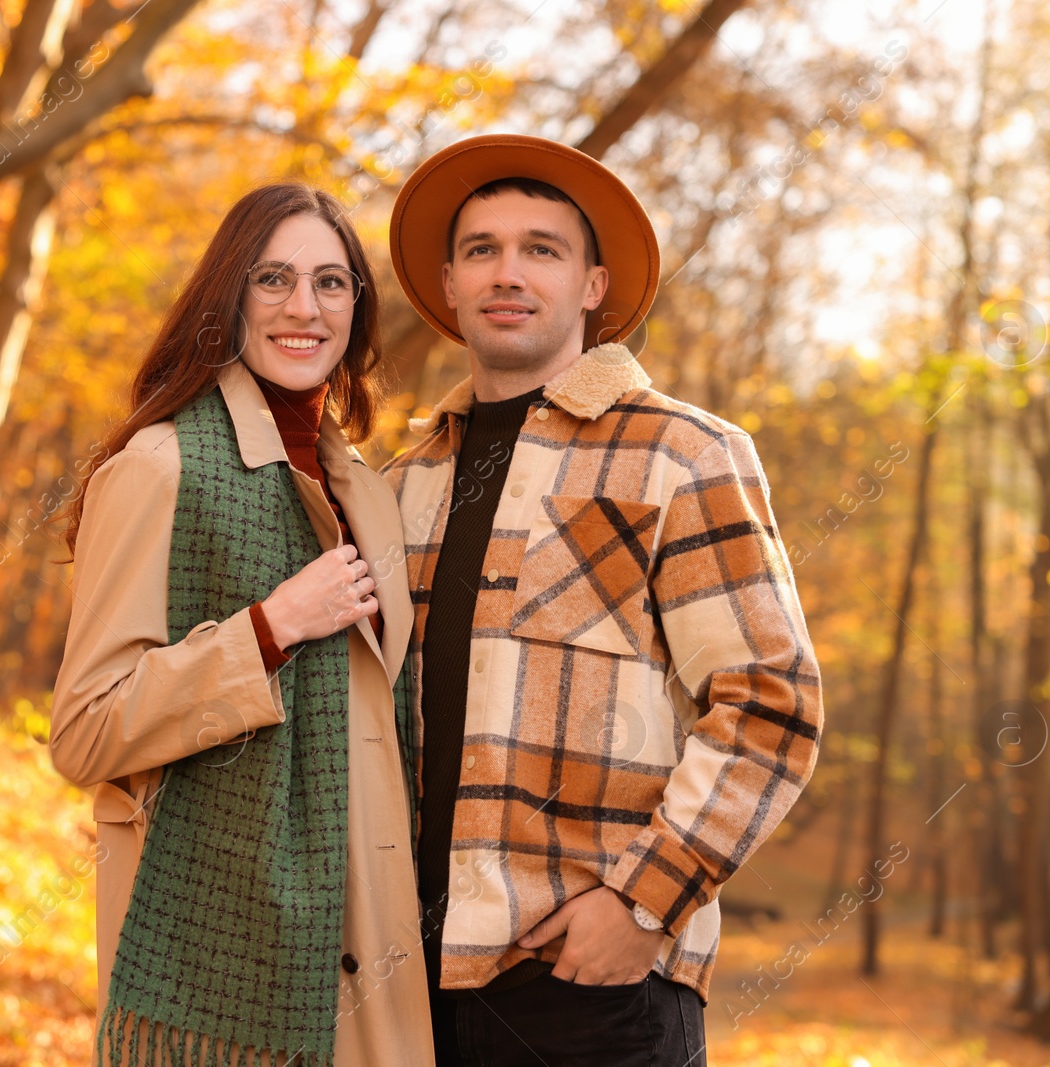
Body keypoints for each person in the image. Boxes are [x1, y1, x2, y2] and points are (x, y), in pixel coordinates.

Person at [380, 134, 824, 1066]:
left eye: (542, 248)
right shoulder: (399, 482)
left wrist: (642, 904)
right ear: (452, 286)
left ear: (592, 286)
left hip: (590, 990)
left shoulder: (683, 455)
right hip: (400, 990)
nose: (509, 272)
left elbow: (770, 703)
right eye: (481, 249)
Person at [49, 182, 434, 1067]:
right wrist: (266, 628)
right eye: (274, 279)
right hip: (228, 966)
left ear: (357, 309)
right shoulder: (160, 467)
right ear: (230, 298)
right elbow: (84, 731)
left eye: (332, 283)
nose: (305, 307)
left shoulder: (368, 491)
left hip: (378, 939)